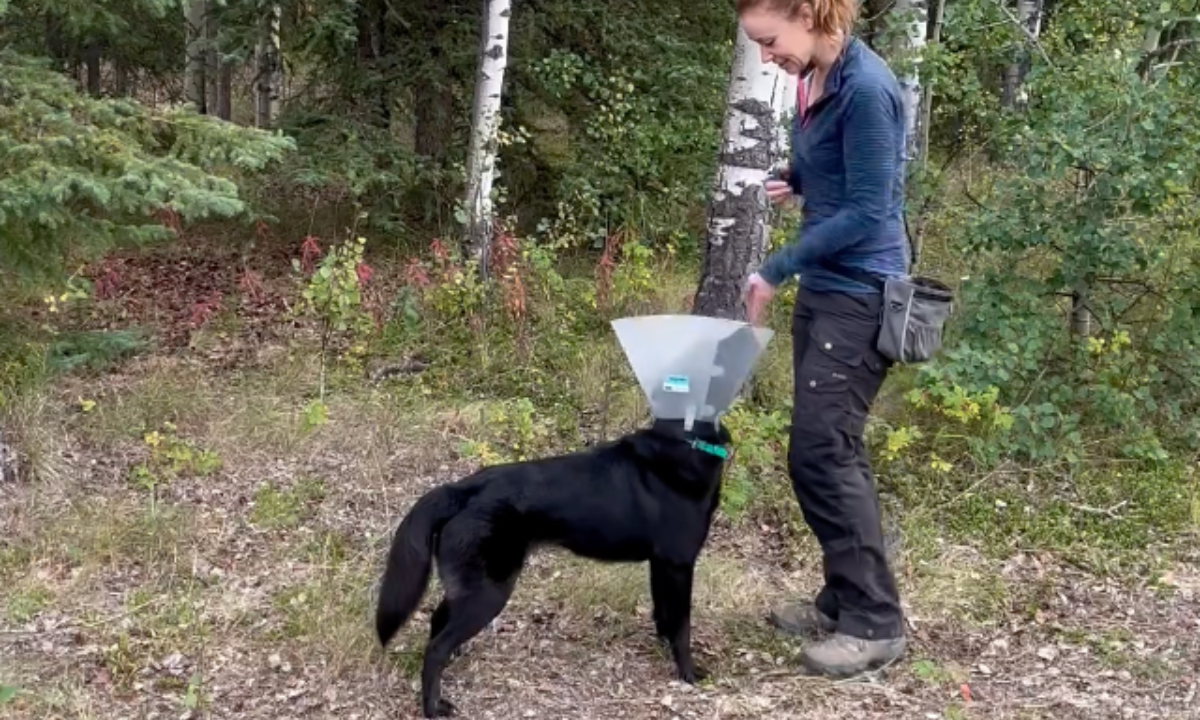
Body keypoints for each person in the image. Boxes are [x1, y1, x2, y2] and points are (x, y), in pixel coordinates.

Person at [736, 0, 911, 677]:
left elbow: (872, 208)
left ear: (809, 15)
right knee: (817, 452)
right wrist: (798, 180)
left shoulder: (867, 89)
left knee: (824, 453)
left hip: (862, 295)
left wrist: (776, 267)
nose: (765, 57)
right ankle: (842, 600)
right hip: (826, 289)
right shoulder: (817, 80)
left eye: (769, 40)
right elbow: (838, 176)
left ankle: (876, 623)